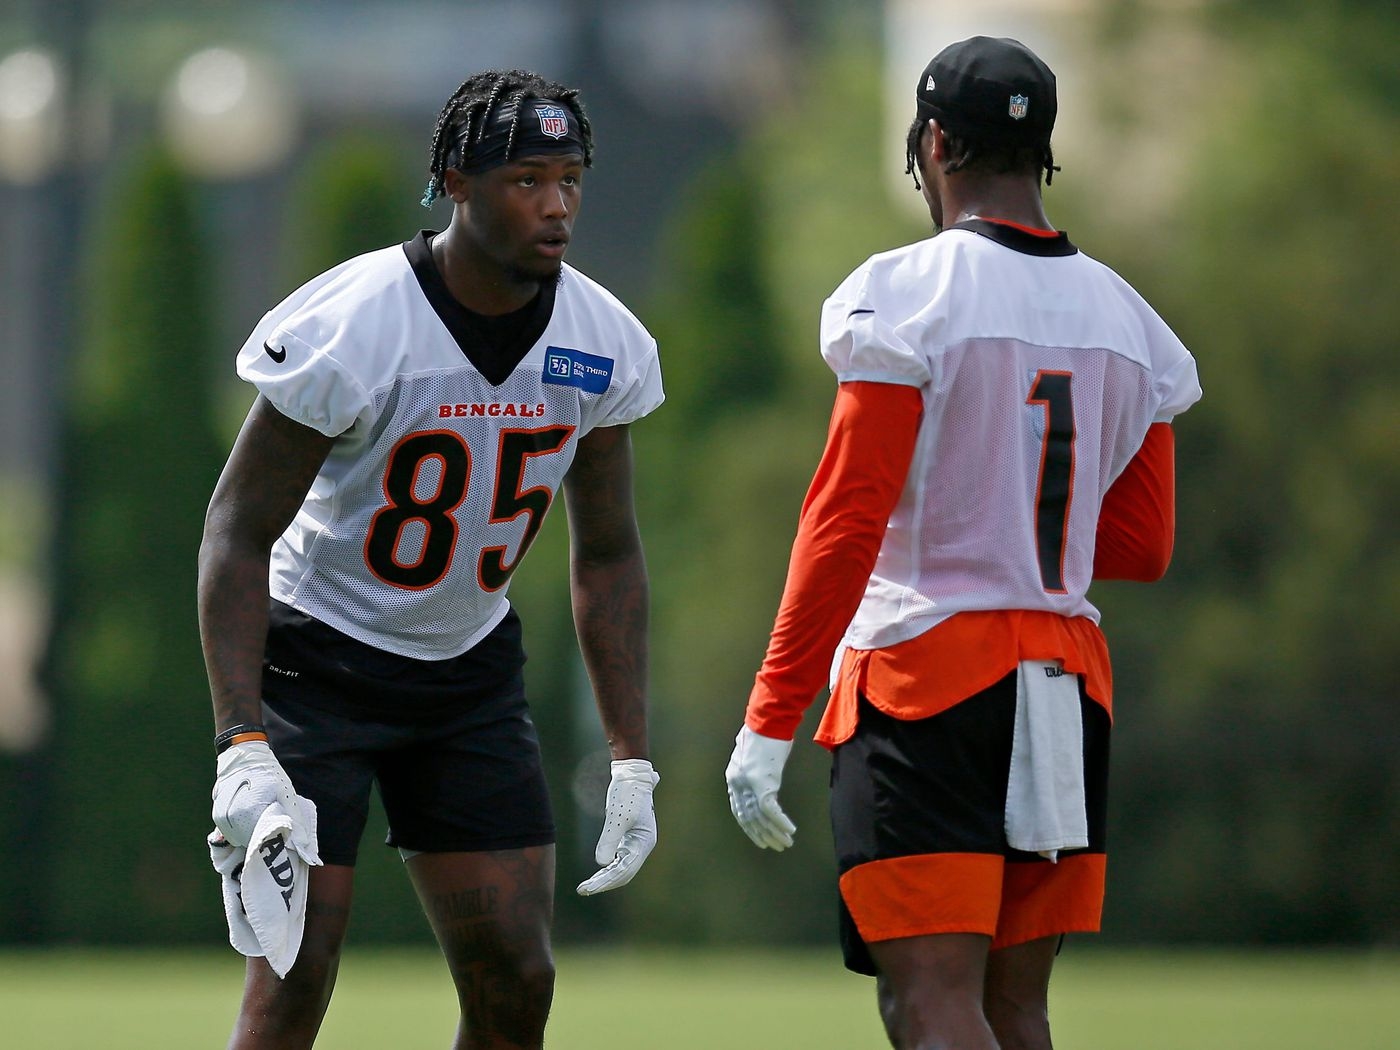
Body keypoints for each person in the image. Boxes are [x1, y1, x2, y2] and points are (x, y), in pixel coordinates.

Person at [724, 36, 1201, 1050]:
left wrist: (769, 716)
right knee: (1014, 1006)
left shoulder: (907, 294)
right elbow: (1140, 542)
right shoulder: (1130, 321)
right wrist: (1015, 528)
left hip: (926, 675)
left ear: (933, 142)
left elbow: (845, 521)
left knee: (931, 1002)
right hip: (1066, 680)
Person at [198, 69, 663, 1050]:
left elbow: (609, 554)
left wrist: (629, 758)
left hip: (465, 677)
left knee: (518, 980)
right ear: (454, 180)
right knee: (292, 977)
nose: (555, 204)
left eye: (569, 178)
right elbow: (236, 533)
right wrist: (242, 745)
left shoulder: (600, 341)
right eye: (525, 178)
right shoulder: (356, 323)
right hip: (314, 664)